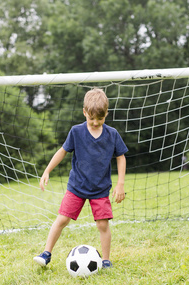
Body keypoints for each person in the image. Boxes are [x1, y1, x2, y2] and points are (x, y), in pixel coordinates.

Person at [33, 88, 128, 269]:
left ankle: (106, 261)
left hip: (100, 189)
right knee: (62, 219)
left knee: (103, 224)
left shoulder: (112, 134)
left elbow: (121, 156)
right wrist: (47, 171)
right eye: (91, 118)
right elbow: (62, 151)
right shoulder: (76, 132)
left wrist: (120, 183)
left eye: (100, 119)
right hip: (76, 187)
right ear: (84, 112)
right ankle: (46, 253)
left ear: (106, 114)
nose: (95, 122)